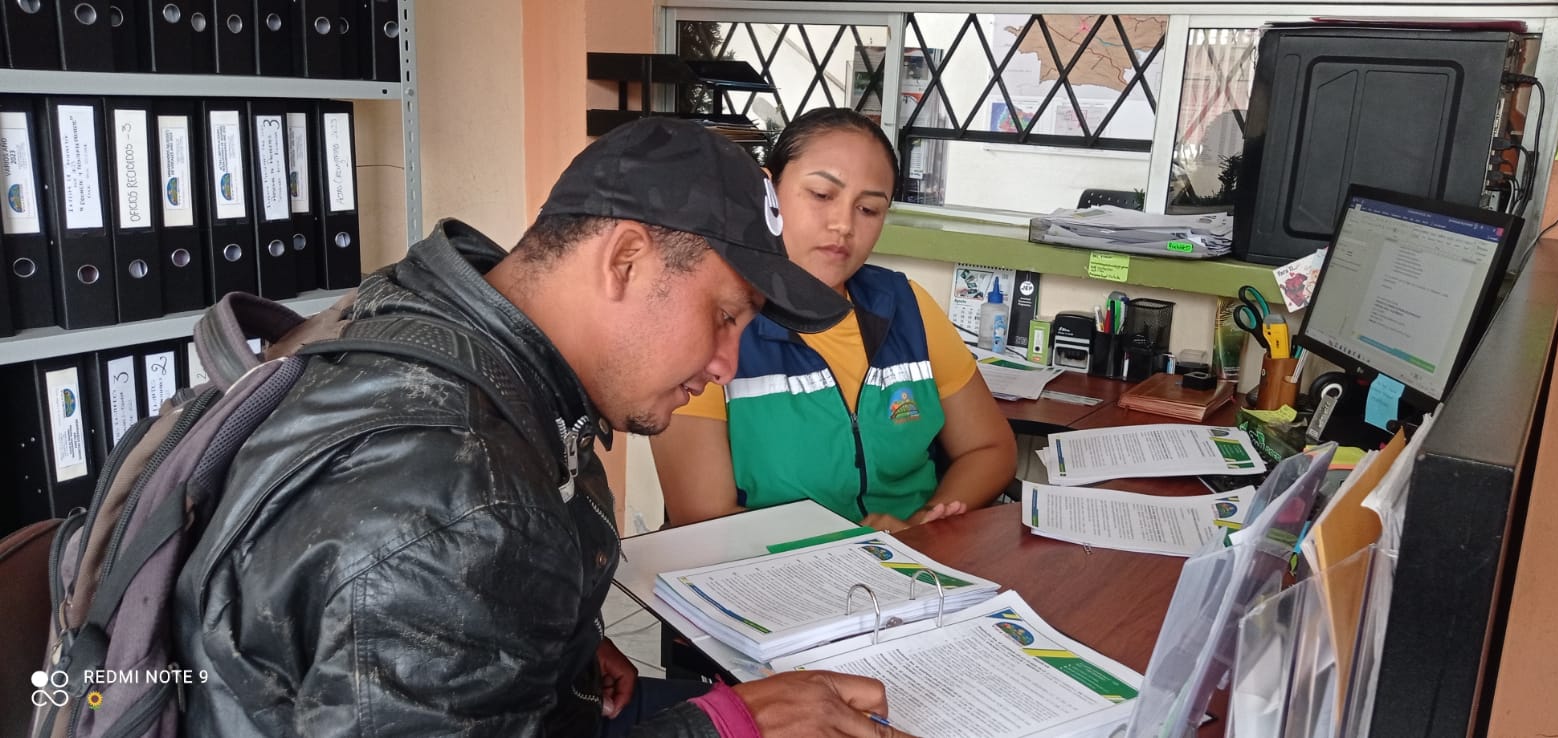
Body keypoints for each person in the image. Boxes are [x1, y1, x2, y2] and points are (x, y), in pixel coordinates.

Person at [174, 118, 914, 738]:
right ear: (625, 259)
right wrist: (718, 728)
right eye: (724, 316)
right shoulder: (461, 503)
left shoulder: (444, 325)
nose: (727, 365)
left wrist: (557, 644)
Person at [651, 108, 1018, 532]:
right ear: (768, 192)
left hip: (915, 560)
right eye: (822, 195)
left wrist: (924, 524)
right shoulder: (710, 324)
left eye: (869, 209)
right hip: (774, 568)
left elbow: (990, 448)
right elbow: (703, 518)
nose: (844, 224)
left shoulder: (907, 308)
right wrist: (858, 545)